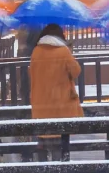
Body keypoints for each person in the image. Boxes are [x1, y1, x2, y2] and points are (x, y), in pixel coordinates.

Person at [28, 24, 81, 159]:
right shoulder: (63, 51)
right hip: (60, 102)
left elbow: (32, 74)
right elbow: (76, 71)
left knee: (43, 139)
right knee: (60, 137)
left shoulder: (36, 51)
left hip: (40, 102)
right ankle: (61, 172)